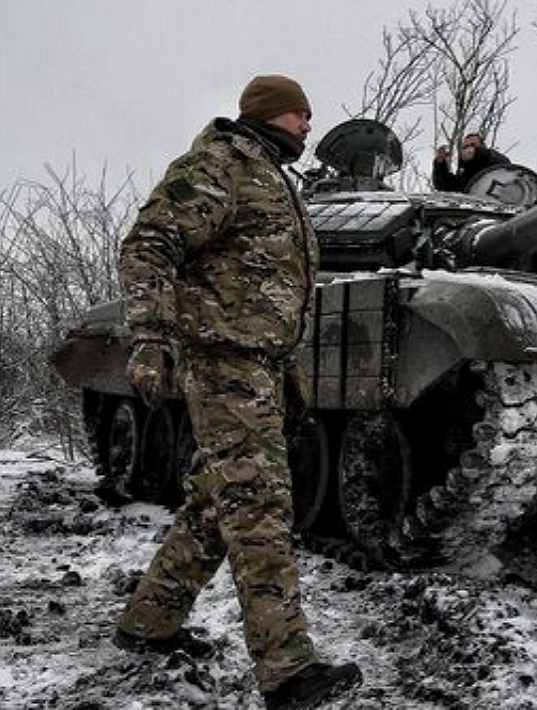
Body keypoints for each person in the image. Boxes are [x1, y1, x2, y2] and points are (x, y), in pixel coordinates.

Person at [113, 74, 362, 710]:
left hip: (262, 368)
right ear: (271, 114)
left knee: (213, 505)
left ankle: (149, 623)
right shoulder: (220, 164)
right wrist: (151, 339)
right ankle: (287, 672)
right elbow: (149, 245)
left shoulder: (272, 175)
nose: (309, 125)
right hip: (225, 361)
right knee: (258, 507)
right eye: (301, 114)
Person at [432, 131, 510, 193]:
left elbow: (504, 166)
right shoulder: (466, 175)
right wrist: (440, 164)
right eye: (466, 147)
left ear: (483, 146)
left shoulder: (494, 159)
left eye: (473, 145)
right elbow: (444, 186)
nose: (469, 149)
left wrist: (477, 153)